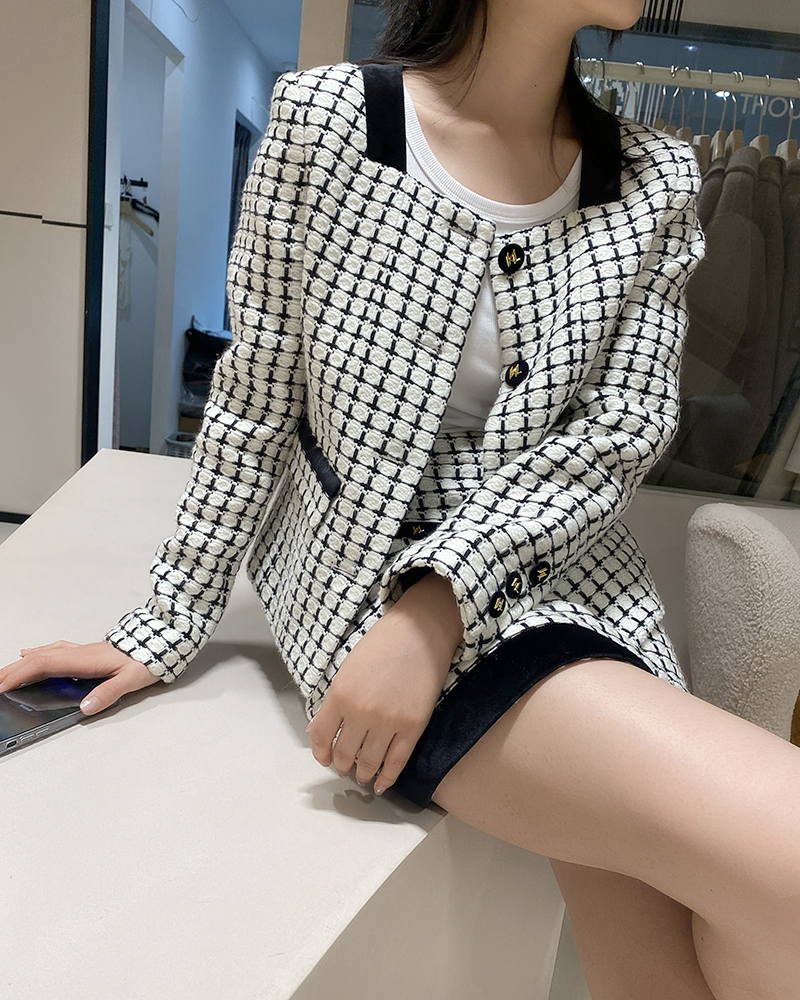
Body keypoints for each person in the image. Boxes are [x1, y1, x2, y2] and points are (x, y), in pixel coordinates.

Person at [3, 1, 800, 997]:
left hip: (572, 589)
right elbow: (257, 395)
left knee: (655, 965)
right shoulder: (328, 120)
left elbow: (620, 432)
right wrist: (166, 619)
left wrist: (440, 603)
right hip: (369, 595)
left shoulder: (654, 179)